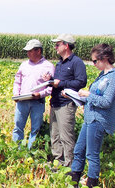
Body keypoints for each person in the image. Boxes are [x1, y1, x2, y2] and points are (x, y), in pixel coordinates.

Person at [68, 44, 115, 188]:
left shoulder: (114, 77)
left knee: (92, 154)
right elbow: (95, 98)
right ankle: (73, 184)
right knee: (79, 150)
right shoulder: (102, 76)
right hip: (90, 118)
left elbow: (106, 102)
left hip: (99, 120)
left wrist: (89, 95)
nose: (94, 64)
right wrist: (76, 96)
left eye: (95, 61)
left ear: (105, 58)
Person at [43, 34, 87, 167]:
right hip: (55, 102)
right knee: (54, 136)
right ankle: (58, 163)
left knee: (66, 137)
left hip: (66, 104)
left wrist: (60, 83)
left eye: (58, 44)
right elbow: (58, 82)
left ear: (66, 45)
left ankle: (70, 166)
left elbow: (81, 82)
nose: (55, 47)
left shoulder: (76, 62)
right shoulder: (60, 62)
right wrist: (50, 79)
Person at [12, 39, 54, 149]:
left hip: (38, 102)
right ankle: (17, 150)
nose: (28, 53)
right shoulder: (24, 65)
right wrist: (16, 93)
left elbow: (51, 87)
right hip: (22, 101)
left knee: (35, 129)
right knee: (18, 127)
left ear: (38, 51)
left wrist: (40, 94)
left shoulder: (48, 66)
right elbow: (17, 81)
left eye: (30, 51)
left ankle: (31, 151)